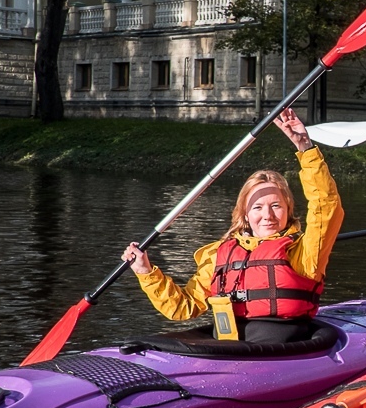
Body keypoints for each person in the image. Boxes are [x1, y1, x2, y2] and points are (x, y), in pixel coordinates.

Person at [123, 108, 343, 345]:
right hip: (229, 350)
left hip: (279, 351)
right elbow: (181, 308)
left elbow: (326, 206)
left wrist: (305, 147)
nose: (267, 215)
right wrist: (145, 272)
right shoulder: (219, 254)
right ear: (245, 215)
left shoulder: (304, 252)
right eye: (257, 207)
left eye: (276, 206)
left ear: (289, 210)